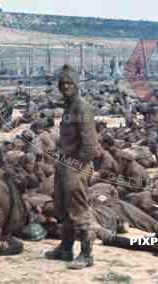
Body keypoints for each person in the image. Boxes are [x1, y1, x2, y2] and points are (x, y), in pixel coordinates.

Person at [46, 65, 97, 269]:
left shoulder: (82, 107)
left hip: (76, 166)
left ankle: (86, 254)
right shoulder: (70, 107)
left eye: (69, 83)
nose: (65, 86)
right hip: (65, 164)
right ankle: (66, 248)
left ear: (76, 85)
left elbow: (90, 145)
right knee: (62, 207)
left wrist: (76, 167)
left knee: (79, 209)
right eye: (62, 83)